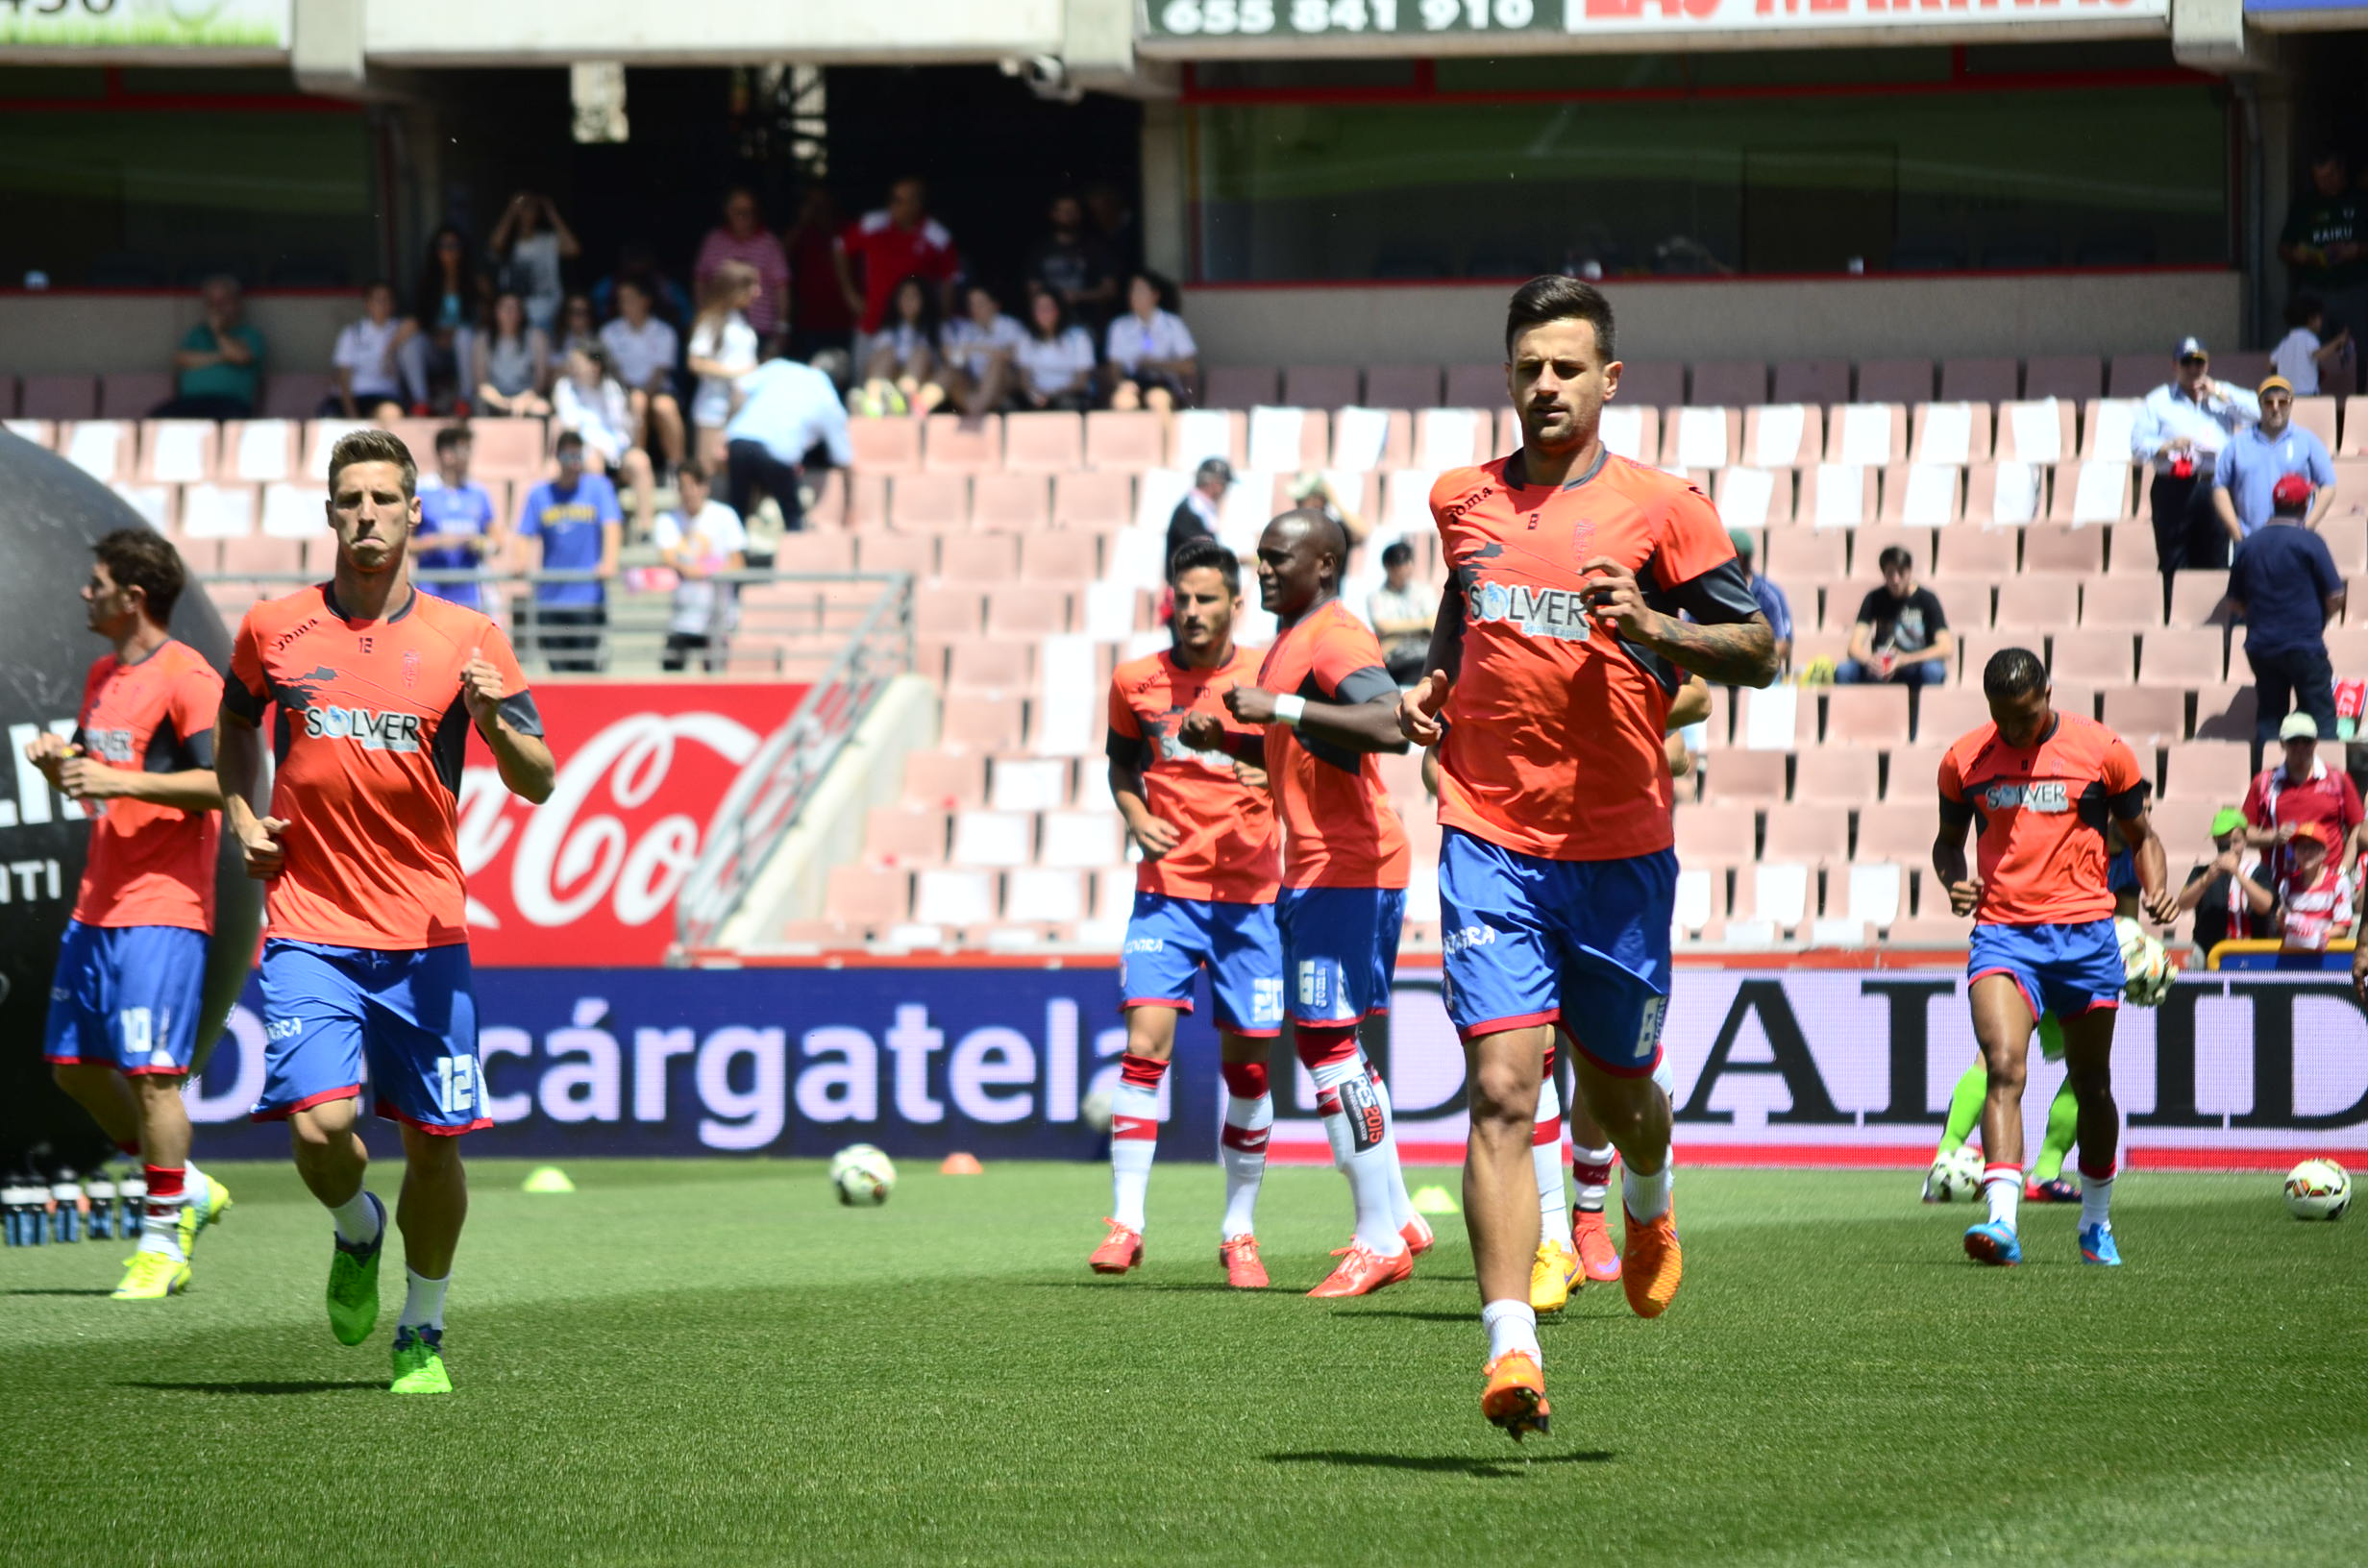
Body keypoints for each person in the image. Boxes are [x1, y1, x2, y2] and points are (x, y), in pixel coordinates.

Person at [1395, 277, 1779, 1440]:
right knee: (1504, 1089)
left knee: (1618, 1090)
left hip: (1616, 848)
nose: (1546, 386)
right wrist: (1435, 684)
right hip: (1488, 832)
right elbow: (1466, 610)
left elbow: (1759, 647)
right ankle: (1511, 1351)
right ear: (1507, 376)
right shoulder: (1460, 497)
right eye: (1529, 368)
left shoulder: (1667, 508)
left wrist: (1658, 627)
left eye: (1568, 368)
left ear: (1608, 380)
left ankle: (1651, 1202)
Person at [215, 428, 555, 1394]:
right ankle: (356, 1228)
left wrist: (495, 724)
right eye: (350, 500)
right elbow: (237, 726)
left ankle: (423, 1329)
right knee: (321, 1130)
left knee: (436, 1143)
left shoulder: (469, 638)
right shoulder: (274, 627)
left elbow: (540, 780)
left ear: (415, 514)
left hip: (426, 934)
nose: (366, 515)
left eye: (383, 500)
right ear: (330, 514)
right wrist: (242, 812)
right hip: (310, 922)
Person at [1179, 509, 1426, 1301]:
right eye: (1261, 558)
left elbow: (1391, 727)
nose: (1264, 569)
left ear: (1324, 566)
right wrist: (1235, 741)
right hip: (1327, 865)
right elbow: (1311, 742)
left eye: (1280, 558)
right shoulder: (1292, 640)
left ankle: (1378, 1237)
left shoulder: (1335, 635)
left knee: (1326, 1047)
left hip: (1346, 864)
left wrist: (1277, 710)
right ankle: (1396, 1217)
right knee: (1338, 1045)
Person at [29, 529, 231, 1300]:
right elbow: (93, 783)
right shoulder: (102, 675)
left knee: (153, 1077)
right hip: (98, 905)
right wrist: (61, 768)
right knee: (74, 1070)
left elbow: (223, 785)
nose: (87, 592)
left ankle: (162, 1241)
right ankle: (187, 1183)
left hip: (165, 907)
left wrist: (118, 782)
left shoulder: (189, 678)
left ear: (133, 598)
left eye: (98, 581)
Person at [1935, 647, 2177, 1273]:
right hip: (2004, 935)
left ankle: (2095, 1221)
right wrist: (1954, 880)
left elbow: (2140, 836)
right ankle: (2002, 1222)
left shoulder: (2102, 751)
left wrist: (2153, 894)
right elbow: (1946, 845)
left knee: (2092, 1085)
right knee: (2005, 1067)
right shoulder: (1964, 760)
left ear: (2048, 692)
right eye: (2002, 718)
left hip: (2086, 938)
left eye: (2026, 714)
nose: (2014, 730)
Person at [1092, 537, 1285, 1287]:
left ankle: (1239, 1232)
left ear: (1237, 604)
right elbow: (1119, 761)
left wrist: (1267, 770)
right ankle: (1126, 1222)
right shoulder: (1136, 680)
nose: (1194, 611)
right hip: (1165, 893)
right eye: (1185, 597)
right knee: (1146, 1046)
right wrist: (1136, 815)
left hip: (1250, 900)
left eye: (1209, 599)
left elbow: (1312, 763)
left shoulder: (1268, 678)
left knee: (1247, 1070)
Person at [2228, 476, 2345, 750]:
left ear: (2275, 503)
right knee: (2322, 720)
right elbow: (2336, 595)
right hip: (2304, 646)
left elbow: (2234, 602)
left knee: (2270, 720)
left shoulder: (2248, 545)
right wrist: (2321, 620)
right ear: (2305, 504)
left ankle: (2268, 786)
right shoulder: (2310, 542)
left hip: (2262, 647)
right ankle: (2324, 789)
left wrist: (2259, 619)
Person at [2132, 336, 2261, 576]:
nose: (2193, 369)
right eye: (2187, 362)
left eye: (2199, 363)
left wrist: (2220, 393)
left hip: (2215, 484)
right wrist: (2167, 445)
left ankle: (2213, 613)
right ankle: (2173, 611)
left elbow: (2260, 413)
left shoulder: (2221, 394)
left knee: (2216, 558)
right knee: (2174, 560)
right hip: (2174, 485)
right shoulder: (2159, 400)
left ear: (2207, 365)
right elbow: (2138, 447)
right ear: (2174, 366)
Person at [516, 430, 623, 673]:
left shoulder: (598, 488)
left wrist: (609, 561)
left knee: (585, 670)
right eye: (568, 457)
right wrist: (520, 562)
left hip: (587, 599)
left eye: (578, 457)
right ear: (557, 457)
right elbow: (524, 534)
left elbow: (612, 525)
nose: (574, 464)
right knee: (558, 672)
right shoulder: (540, 494)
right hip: (551, 601)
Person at [723, 352, 855, 529]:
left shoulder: (780, 367)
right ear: (839, 381)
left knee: (737, 513)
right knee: (793, 520)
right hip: (777, 456)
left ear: (814, 363)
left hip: (739, 443)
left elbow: (738, 389)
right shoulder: (829, 399)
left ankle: (739, 552)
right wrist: (849, 506)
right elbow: (843, 459)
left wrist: (726, 429)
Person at [835, 177, 961, 357]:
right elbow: (839, 247)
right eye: (893, 199)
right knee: (864, 381)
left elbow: (950, 281)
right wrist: (850, 293)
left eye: (902, 200)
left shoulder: (937, 236)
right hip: (873, 323)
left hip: (916, 331)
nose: (894, 205)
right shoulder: (873, 224)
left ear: (917, 203)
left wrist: (940, 321)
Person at [2278, 149, 2368, 390]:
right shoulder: (2306, 205)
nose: (2324, 183)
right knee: (2310, 348)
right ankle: (2316, 402)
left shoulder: (2361, 201)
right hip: (2313, 292)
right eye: (2319, 178)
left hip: (2354, 290)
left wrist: (2357, 250)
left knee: (2359, 350)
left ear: (2341, 171)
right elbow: (2283, 248)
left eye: (2329, 176)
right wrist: (2298, 254)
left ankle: (2358, 406)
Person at [644, 462, 746, 674]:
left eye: (694, 485)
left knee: (715, 677)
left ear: (705, 487)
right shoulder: (667, 520)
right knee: (671, 674)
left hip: (717, 616)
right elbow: (669, 557)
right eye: (683, 486)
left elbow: (737, 563)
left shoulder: (724, 516)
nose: (689, 492)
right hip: (683, 616)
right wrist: (711, 567)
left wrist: (695, 569)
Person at [2242, 712, 2364, 887]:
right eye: (2293, 741)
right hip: (2278, 883)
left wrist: (2343, 871)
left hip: (2328, 885)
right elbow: (2245, 832)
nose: (2300, 747)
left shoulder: (2338, 779)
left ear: (2316, 742)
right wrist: (2273, 837)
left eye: (2306, 741)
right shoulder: (2264, 782)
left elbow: (2356, 830)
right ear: (2282, 744)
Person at [2214, 377, 2337, 543]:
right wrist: (2236, 531)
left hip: (2294, 540)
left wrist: (2307, 527)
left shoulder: (2307, 441)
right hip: (2250, 539)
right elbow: (2219, 487)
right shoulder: (2238, 444)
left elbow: (2328, 485)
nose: (2276, 408)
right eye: (2269, 402)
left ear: (2291, 403)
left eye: (2282, 402)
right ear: (2259, 404)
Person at [551, 344, 654, 513]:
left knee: (640, 461)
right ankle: (601, 523)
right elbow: (571, 428)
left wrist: (610, 450)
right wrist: (592, 448)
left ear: (595, 366)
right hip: (583, 452)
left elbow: (622, 430)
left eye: (578, 363)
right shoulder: (565, 387)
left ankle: (645, 529)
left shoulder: (612, 388)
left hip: (615, 453)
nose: (572, 368)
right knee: (593, 463)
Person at [599, 277, 686, 471]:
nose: (623, 305)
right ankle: (636, 466)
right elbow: (612, 371)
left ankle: (678, 469)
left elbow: (660, 372)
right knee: (637, 400)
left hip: (658, 390)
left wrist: (642, 395)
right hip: (622, 392)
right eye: (620, 299)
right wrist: (630, 394)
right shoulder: (609, 332)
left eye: (629, 298)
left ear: (645, 300)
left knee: (665, 407)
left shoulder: (664, 332)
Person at [413, 426, 501, 612]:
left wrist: (482, 544)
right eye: (464, 450)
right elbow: (404, 544)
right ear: (446, 454)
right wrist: (437, 542)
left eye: (469, 450)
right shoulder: (422, 491)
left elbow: (497, 542)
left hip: (468, 596)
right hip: (431, 593)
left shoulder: (478, 492)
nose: (468, 456)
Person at [1838, 546, 1953, 686]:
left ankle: (1927, 707)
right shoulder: (1874, 598)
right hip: (1882, 667)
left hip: (1915, 665)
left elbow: (1946, 647)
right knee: (1844, 671)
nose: (1896, 579)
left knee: (1933, 671)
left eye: (1901, 572)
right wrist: (1870, 660)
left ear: (1909, 571)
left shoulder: (1927, 599)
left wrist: (1906, 659)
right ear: (1883, 573)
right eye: (1890, 573)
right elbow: (1853, 646)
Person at [693, 187, 792, 351]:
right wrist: (703, 315)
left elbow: (782, 287)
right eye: (739, 211)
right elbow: (700, 280)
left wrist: (782, 327)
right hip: (719, 328)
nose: (745, 217)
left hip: (761, 329)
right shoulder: (714, 240)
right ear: (727, 212)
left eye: (750, 211)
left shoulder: (769, 243)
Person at [403, 226, 485, 417]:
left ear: (462, 249)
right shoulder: (427, 282)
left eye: (454, 245)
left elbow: (483, 320)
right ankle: (420, 402)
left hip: (466, 351)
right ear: (435, 250)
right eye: (443, 246)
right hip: (435, 348)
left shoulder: (475, 281)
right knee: (410, 342)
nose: (448, 251)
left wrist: (454, 332)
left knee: (464, 336)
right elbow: (418, 320)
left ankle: (465, 400)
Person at [686, 262, 762, 468]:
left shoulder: (741, 321)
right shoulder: (711, 321)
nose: (758, 292)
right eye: (751, 286)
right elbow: (696, 362)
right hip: (714, 407)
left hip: (744, 407)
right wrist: (736, 373)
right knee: (709, 468)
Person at [157, 275, 263, 419]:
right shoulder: (197, 334)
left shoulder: (250, 335)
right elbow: (181, 359)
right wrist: (222, 357)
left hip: (231, 403)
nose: (217, 309)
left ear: (237, 303)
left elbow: (240, 357)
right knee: (157, 420)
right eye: (212, 303)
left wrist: (217, 332)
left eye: (223, 302)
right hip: (190, 403)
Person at [2177, 807, 2279, 955]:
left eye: (2235, 842)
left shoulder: (2258, 872)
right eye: (2223, 843)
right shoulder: (2202, 872)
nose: (2230, 848)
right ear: (2215, 841)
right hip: (2210, 954)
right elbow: (2183, 904)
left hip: (2250, 955)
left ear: (2245, 840)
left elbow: (2265, 905)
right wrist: (2206, 880)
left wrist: (2237, 873)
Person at [854, 275, 947, 419]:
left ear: (924, 300)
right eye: (904, 296)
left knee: (921, 354)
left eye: (913, 297)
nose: (908, 302)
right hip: (890, 386)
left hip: (923, 387)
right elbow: (872, 366)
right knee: (886, 354)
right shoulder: (888, 332)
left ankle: (905, 402)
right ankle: (874, 403)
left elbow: (944, 364)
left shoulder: (937, 331)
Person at [487, 191, 579, 334]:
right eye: (523, 207)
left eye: (532, 208)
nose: (527, 212)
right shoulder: (509, 243)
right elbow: (495, 244)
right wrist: (511, 210)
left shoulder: (548, 240)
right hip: (514, 317)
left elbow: (573, 249)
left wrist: (551, 212)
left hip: (547, 314)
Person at [782, 186, 856, 363]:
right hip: (809, 319)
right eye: (814, 204)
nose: (819, 208)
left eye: (822, 203)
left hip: (842, 318)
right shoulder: (802, 231)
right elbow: (780, 255)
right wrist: (801, 222)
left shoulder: (846, 229)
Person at [1106, 272, 1197, 413]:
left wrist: (1154, 364)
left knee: (1158, 399)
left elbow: (1188, 365)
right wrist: (1121, 384)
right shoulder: (1119, 326)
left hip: (1163, 382)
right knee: (1124, 401)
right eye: (1132, 290)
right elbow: (1114, 366)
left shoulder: (1172, 324)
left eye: (1140, 290)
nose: (1134, 295)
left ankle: (1165, 436)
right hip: (1133, 382)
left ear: (1155, 295)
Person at [1027, 192, 1119, 327]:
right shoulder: (1040, 251)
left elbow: (1110, 290)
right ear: (1054, 214)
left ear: (1080, 213)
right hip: (1051, 325)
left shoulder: (1095, 248)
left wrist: (1079, 296)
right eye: (1064, 211)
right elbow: (1033, 291)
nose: (1069, 215)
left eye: (1073, 210)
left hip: (1089, 323)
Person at [328, 282, 412, 422]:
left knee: (391, 414)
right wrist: (352, 414)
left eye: (387, 299)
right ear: (367, 304)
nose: (383, 304)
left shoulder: (397, 328)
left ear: (394, 304)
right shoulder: (353, 332)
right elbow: (343, 374)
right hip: (355, 395)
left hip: (384, 395)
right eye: (378, 300)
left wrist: (390, 349)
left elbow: (415, 323)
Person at [940, 282, 1026, 417]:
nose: (976, 308)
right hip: (976, 384)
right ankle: (917, 408)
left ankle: (975, 411)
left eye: (980, 303)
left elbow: (1014, 356)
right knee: (950, 372)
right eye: (972, 304)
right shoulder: (965, 330)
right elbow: (955, 359)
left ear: (994, 305)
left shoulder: (1010, 325)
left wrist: (975, 349)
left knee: (997, 362)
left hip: (1007, 382)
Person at [1012, 286, 1097, 413]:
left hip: (1070, 396)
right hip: (1036, 397)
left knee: (1066, 404)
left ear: (1059, 309)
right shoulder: (1027, 338)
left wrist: (1053, 394)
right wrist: (1035, 394)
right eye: (1038, 308)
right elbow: (1024, 380)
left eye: (1047, 308)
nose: (1043, 313)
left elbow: (1082, 382)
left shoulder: (1078, 336)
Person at [2274, 821, 2354, 951]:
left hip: (2325, 960)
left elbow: (2342, 929)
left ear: (2324, 852)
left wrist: (2312, 938)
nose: (2306, 853)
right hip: (2293, 957)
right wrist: (2281, 921)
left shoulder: (2339, 882)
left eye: (2312, 847)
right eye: (2301, 848)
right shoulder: (2287, 884)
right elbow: (2284, 928)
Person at [471, 290, 553, 417]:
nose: (509, 313)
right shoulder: (482, 340)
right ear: (495, 312)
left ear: (521, 314)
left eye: (514, 308)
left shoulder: (537, 337)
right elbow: (481, 384)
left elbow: (540, 381)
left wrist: (523, 401)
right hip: (494, 399)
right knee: (479, 403)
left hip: (527, 398)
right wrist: (503, 404)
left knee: (542, 408)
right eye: (505, 307)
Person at [1368, 540, 1438, 686]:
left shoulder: (1424, 591)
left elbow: (1432, 625)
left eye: (1408, 562)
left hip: (1424, 656)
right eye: (1400, 563)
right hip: (1396, 660)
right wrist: (1421, 626)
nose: (1406, 568)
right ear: (1388, 567)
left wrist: (1397, 630)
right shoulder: (1377, 596)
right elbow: (1383, 627)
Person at [1731, 529, 1793, 674]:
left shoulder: (1770, 594)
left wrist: (1750, 661)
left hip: (1758, 670)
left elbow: (1783, 644)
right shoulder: (1712, 591)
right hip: (1718, 668)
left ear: (1738, 556)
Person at [2269, 293, 2353, 397]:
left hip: (2286, 394)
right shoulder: (2308, 338)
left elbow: (2271, 363)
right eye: (2320, 317)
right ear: (2311, 319)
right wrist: (2338, 340)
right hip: (2307, 394)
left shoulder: (2285, 342)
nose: (2321, 322)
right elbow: (2320, 355)